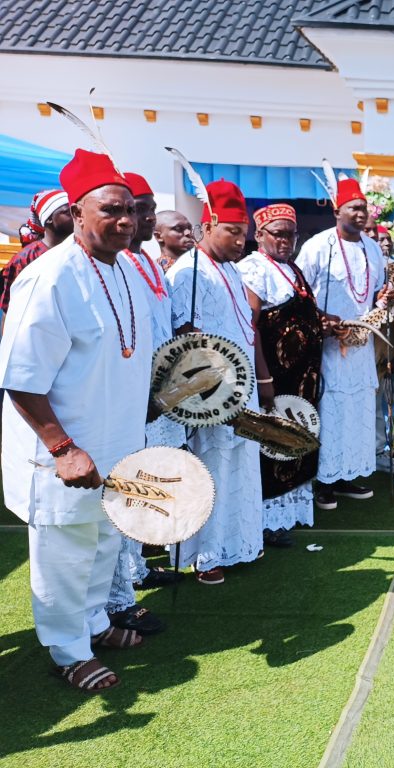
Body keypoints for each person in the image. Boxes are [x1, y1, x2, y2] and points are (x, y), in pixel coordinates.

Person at [0, 148, 153, 691]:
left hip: (117, 444)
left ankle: (94, 624)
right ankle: (68, 650)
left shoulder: (130, 269)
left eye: (131, 210)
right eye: (112, 210)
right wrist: (63, 447)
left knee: (102, 543)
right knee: (65, 550)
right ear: (78, 213)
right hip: (64, 450)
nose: (126, 221)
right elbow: (21, 375)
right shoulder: (48, 277)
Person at [167, 180, 265, 585]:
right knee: (211, 467)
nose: (241, 241)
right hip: (209, 392)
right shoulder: (188, 272)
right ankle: (206, 555)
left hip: (242, 386)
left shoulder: (230, 269)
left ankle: (239, 543)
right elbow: (184, 342)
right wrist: (212, 392)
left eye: (244, 233)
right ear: (207, 227)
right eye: (232, 231)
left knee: (239, 464)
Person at [105, 172, 184, 634]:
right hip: (131, 399)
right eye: (137, 206)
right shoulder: (118, 264)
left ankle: (136, 571)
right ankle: (118, 601)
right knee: (128, 495)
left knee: (150, 487)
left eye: (147, 207)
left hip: (160, 395)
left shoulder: (151, 264)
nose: (143, 215)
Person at [295, 179, 387, 508]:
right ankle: (324, 482)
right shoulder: (319, 246)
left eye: (365, 208)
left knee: (357, 409)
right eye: (355, 208)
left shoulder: (373, 248)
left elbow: (378, 290)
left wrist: (383, 298)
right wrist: (321, 319)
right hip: (327, 348)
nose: (362, 214)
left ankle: (348, 475)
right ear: (337, 211)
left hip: (360, 346)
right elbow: (300, 291)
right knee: (330, 410)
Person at [239, 203, 324, 547]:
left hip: (301, 379)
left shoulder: (291, 268)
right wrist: (264, 380)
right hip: (276, 378)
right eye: (279, 233)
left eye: (292, 234)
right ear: (259, 235)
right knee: (273, 445)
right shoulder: (253, 269)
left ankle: (289, 514)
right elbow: (252, 326)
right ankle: (268, 522)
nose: (287, 240)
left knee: (295, 442)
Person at [1, 189, 73, 315]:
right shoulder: (25, 258)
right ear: (49, 219)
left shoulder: (82, 251)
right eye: (67, 212)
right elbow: (10, 309)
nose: (75, 216)